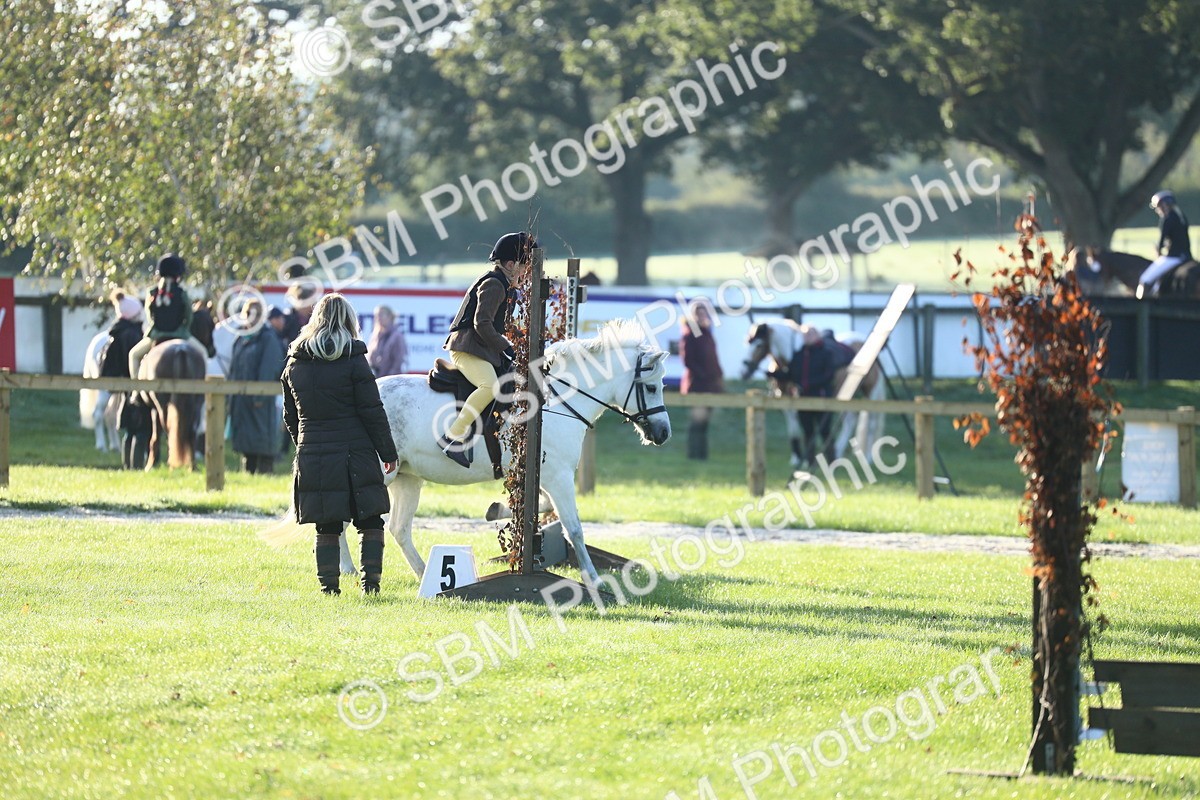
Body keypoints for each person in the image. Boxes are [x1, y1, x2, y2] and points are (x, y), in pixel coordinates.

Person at [281, 293, 398, 595]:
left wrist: (305, 446)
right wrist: (387, 452)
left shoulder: (294, 362)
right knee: (370, 519)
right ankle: (370, 585)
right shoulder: (353, 359)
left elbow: (290, 415)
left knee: (327, 524)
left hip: (313, 452)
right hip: (355, 450)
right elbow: (372, 410)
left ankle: (328, 589)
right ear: (349, 321)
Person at [437, 231, 532, 467]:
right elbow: (482, 324)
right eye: (524, 267)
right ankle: (452, 436)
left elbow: (501, 326)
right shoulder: (494, 284)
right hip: (466, 348)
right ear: (510, 264)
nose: (525, 273)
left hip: (478, 348)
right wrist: (507, 348)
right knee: (490, 386)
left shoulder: (503, 284)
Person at [127, 253, 209, 383]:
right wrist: (184, 330)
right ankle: (202, 389)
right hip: (180, 334)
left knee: (133, 355)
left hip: (156, 335)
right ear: (178, 275)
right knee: (203, 353)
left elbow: (149, 315)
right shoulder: (182, 293)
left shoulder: (152, 292)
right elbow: (189, 316)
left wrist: (155, 329)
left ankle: (136, 391)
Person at [228, 299, 287, 474]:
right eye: (247, 314)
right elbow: (233, 369)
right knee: (246, 446)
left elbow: (269, 369)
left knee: (262, 442)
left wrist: (259, 397)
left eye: (255, 314)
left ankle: (264, 474)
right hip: (241, 401)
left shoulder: (268, 338)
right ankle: (248, 475)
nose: (250, 318)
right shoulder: (240, 338)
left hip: (260, 402)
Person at [99, 290, 152, 469]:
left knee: (129, 430)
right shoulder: (132, 335)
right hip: (133, 387)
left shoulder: (116, 332)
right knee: (140, 428)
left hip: (123, 386)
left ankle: (127, 465)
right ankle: (136, 466)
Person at [678, 299, 723, 460]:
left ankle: (702, 456)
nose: (702, 316)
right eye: (699, 313)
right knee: (697, 423)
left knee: (704, 423)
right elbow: (688, 360)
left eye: (705, 313)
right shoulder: (691, 335)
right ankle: (695, 455)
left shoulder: (707, 334)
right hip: (697, 386)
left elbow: (713, 360)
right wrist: (703, 375)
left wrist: (718, 378)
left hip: (710, 385)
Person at [792, 324, 836, 468]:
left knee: (825, 431)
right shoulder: (799, 354)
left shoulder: (825, 353)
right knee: (808, 432)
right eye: (805, 334)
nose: (807, 336)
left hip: (822, 399)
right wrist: (774, 374)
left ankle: (832, 462)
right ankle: (810, 461)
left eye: (810, 334)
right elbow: (792, 374)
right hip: (803, 400)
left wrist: (807, 384)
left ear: (817, 336)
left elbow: (828, 376)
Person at [1138, 190, 1192, 298]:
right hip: (1187, 257)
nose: (1158, 210)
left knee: (1144, 279)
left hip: (1173, 257)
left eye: (1158, 207)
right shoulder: (1182, 217)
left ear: (1164, 205)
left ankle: (1141, 309)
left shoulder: (1167, 219)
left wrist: (1158, 249)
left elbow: (1162, 242)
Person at [367, 304, 409, 377]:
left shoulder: (397, 336)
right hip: (376, 379)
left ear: (390, 317)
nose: (378, 318)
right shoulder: (375, 336)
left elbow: (399, 361)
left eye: (381, 315)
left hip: (391, 381)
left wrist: (389, 379)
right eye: (377, 315)